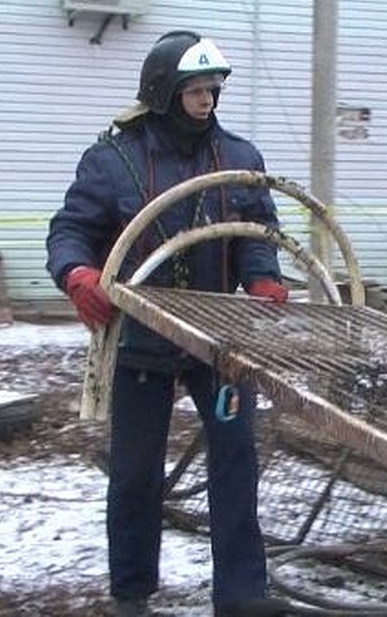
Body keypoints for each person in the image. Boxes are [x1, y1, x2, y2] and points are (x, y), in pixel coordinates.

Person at [46, 31, 293, 617]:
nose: (208, 102)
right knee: (135, 472)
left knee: (235, 461)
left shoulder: (238, 158)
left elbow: (256, 232)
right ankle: (131, 593)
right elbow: (70, 230)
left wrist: (263, 277)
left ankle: (241, 593)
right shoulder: (112, 160)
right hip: (140, 339)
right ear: (163, 93)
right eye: (196, 91)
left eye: (214, 90)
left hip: (221, 340)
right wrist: (77, 274)